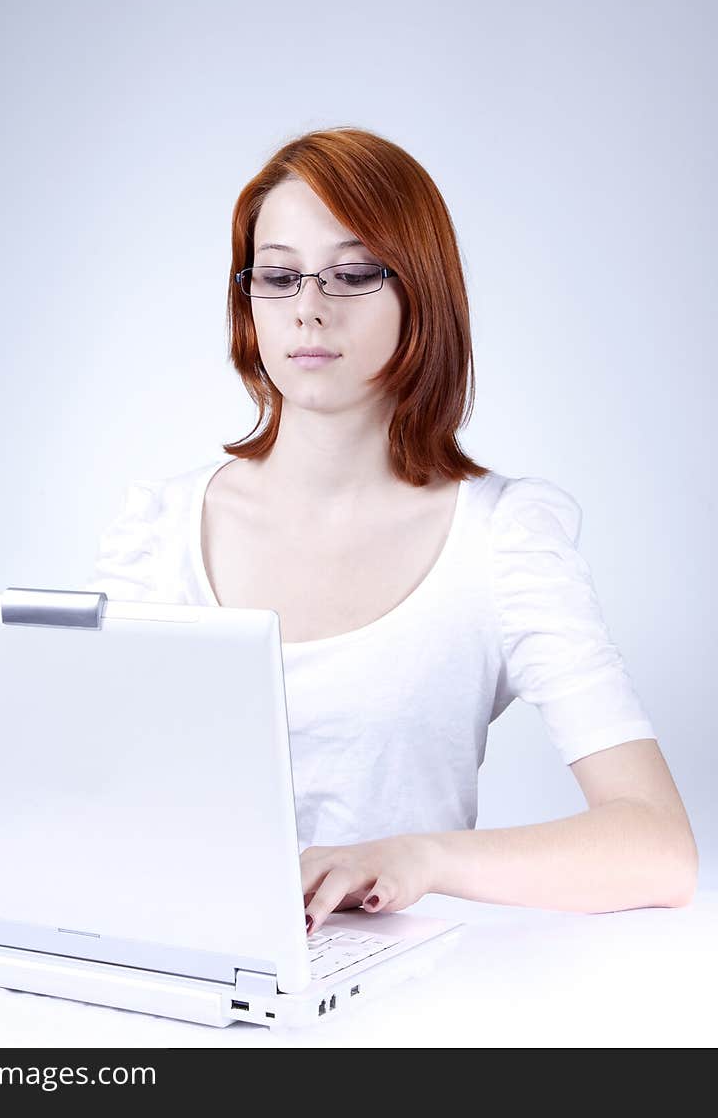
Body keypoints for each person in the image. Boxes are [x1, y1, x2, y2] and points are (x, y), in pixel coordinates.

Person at [87, 126, 698, 932]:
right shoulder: (160, 529)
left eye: (352, 272)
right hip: (185, 972)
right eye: (277, 275)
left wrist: (420, 857)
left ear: (420, 293)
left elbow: (658, 847)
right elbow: (85, 800)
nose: (308, 307)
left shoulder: (502, 540)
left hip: (406, 994)